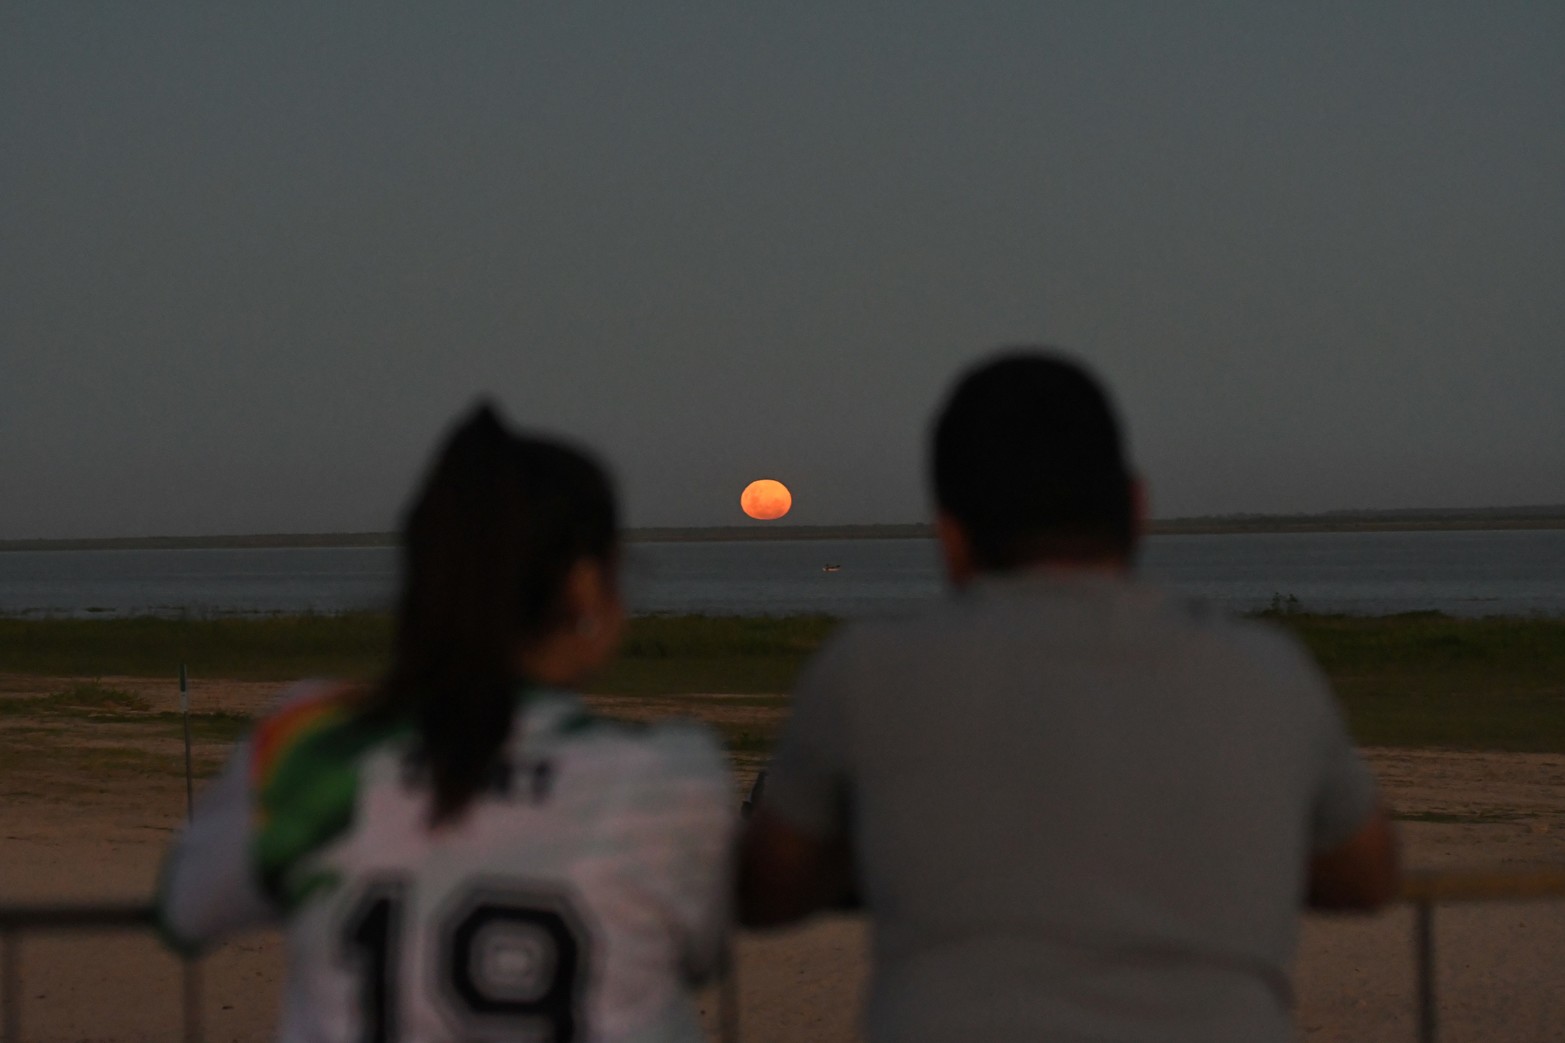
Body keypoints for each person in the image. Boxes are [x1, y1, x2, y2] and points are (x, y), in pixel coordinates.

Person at [737, 350, 1398, 1043]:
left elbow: (770, 885)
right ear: (1137, 508)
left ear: (950, 536)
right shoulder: (1267, 670)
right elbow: (1367, 874)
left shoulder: (866, 671)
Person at [158, 404, 734, 1043]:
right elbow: (700, 950)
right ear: (585, 585)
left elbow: (187, 907)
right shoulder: (670, 776)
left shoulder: (315, 742)